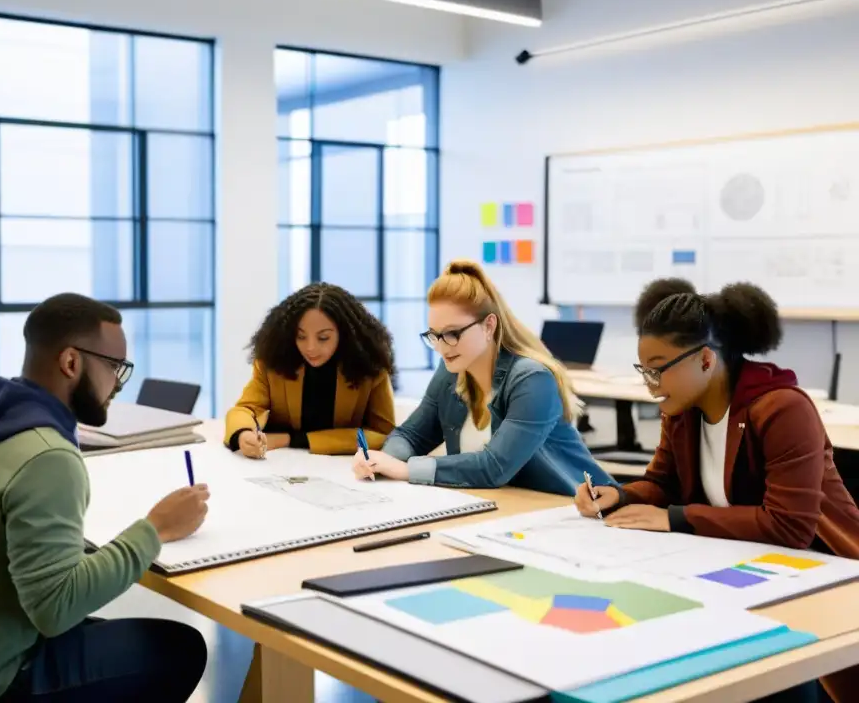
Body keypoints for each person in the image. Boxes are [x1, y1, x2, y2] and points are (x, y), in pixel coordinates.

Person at [0, 293, 209, 703]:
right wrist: (156, 529)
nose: (117, 384)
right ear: (71, 363)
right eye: (116, 367)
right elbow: (56, 610)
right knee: (179, 648)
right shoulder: (47, 456)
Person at [573, 278, 859, 703]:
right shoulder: (682, 409)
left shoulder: (783, 408)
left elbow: (790, 527)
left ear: (706, 360)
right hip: (750, 568)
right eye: (644, 369)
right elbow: (662, 483)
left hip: (826, 578)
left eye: (658, 367)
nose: (649, 382)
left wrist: (674, 518)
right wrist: (623, 495)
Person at [354, 260, 609, 491]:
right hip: (506, 509)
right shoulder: (451, 370)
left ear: (489, 326)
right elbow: (412, 435)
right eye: (435, 335)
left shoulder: (533, 380)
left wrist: (406, 469)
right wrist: (380, 460)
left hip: (575, 513)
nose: (442, 347)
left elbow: (494, 467)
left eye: (453, 334)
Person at [225, 282, 396, 457]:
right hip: (280, 463)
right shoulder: (273, 363)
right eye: (301, 336)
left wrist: (292, 439)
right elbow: (245, 410)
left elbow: (385, 436)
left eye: (323, 338)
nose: (310, 348)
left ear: (345, 335)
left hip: (344, 470)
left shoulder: (370, 369)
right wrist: (243, 434)